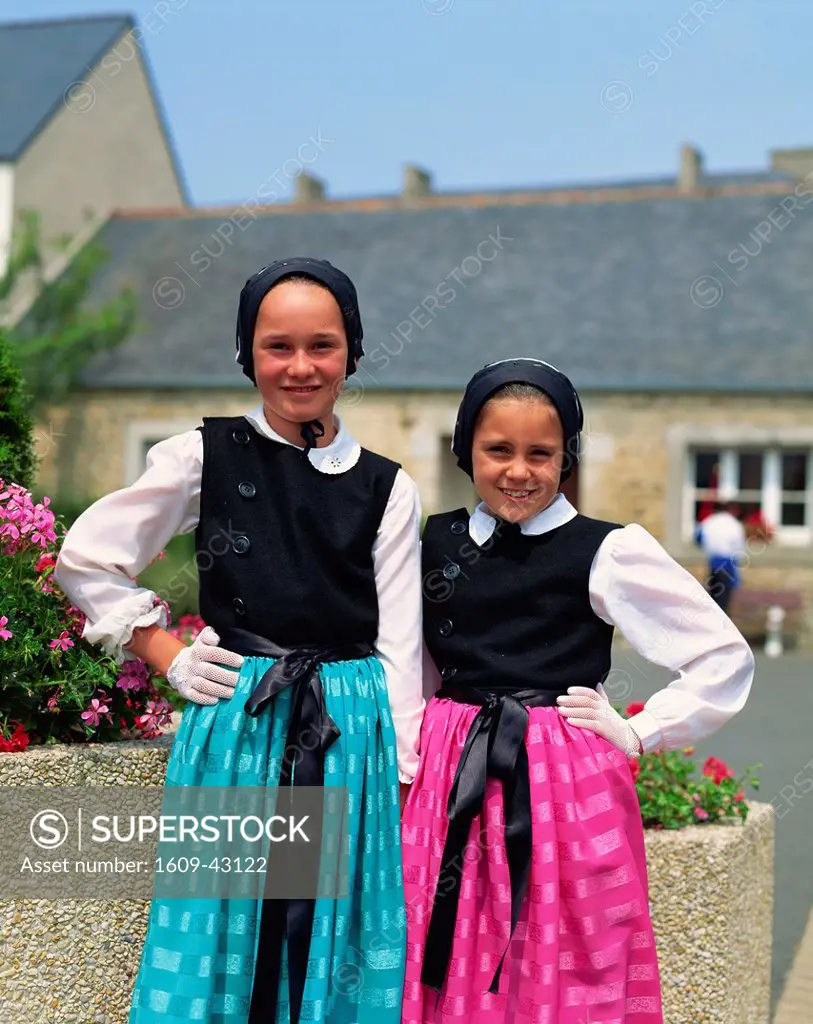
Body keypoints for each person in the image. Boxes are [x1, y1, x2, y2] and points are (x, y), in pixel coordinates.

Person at [55, 258, 425, 1024]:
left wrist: (400, 779)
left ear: (351, 352)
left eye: (321, 345)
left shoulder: (388, 487)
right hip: (240, 723)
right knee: (224, 935)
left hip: (348, 734)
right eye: (276, 346)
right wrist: (167, 653)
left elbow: (400, 645)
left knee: (328, 938)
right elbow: (87, 556)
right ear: (246, 353)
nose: (299, 367)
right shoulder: (203, 455)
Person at [400, 358, 755, 1024]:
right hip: (451, 763)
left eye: (541, 453)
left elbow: (719, 654)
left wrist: (639, 731)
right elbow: (412, 658)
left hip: (559, 773)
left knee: (565, 937)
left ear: (567, 458)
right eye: (497, 450)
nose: (519, 470)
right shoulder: (435, 539)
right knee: (444, 932)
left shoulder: (605, 549)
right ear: (464, 451)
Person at [695, 501, 747, 613]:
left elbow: (698, 536)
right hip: (727, 562)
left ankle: (713, 618)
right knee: (723, 598)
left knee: (713, 594)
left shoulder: (709, 521)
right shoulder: (735, 524)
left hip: (713, 561)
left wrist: (707, 547)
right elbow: (739, 547)